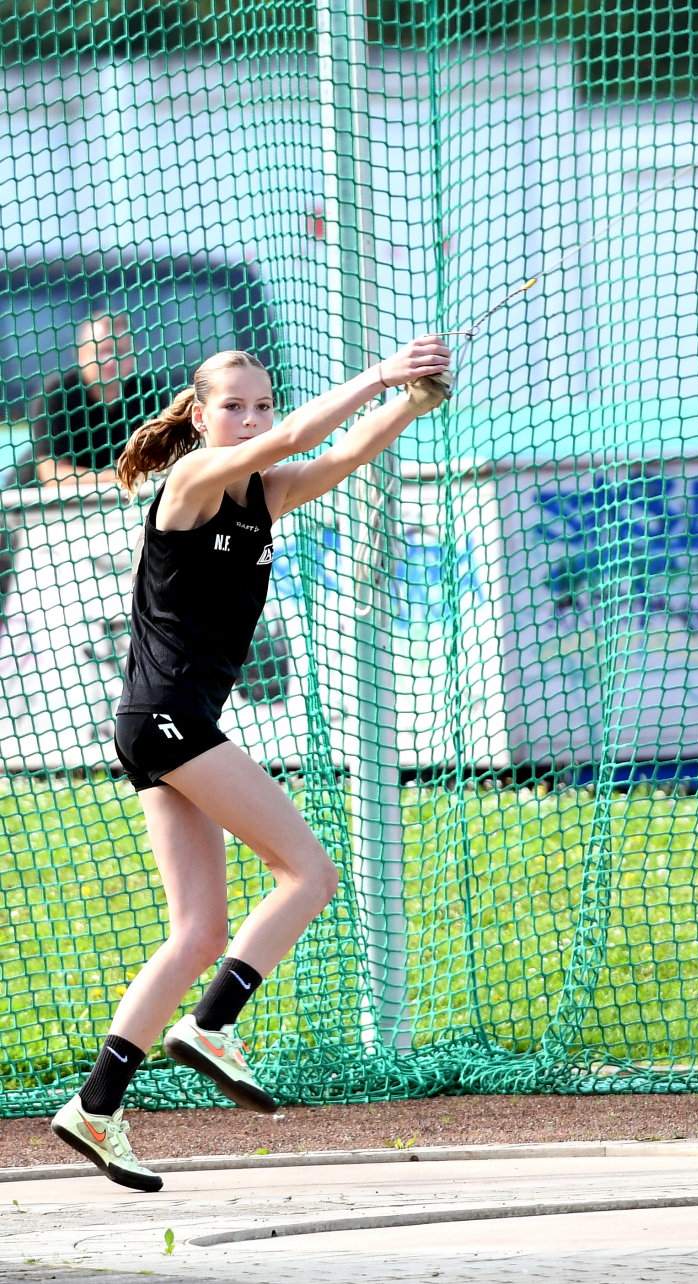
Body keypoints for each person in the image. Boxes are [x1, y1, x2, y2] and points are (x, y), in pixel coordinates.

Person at [48, 336, 451, 1192]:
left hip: (163, 724)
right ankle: (213, 1026)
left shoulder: (264, 497)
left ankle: (94, 1107)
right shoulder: (192, 482)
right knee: (307, 873)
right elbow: (301, 440)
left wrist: (410, 404)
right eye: (234, 406)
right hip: (167, 720)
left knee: (197, 931)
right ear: (199, 418)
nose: (252, 418)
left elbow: (342, 452)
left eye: (262, 404)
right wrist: (381, 374)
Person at [30, 309, 158, 485]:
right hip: (37, 507)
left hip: (123, 502)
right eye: (102, 351)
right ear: (81, 354)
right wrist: (121, 475)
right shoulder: (56, 394)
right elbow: (53, 476)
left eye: (120, 352)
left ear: (134, 353)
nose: (111, 361)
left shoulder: (149, 392)